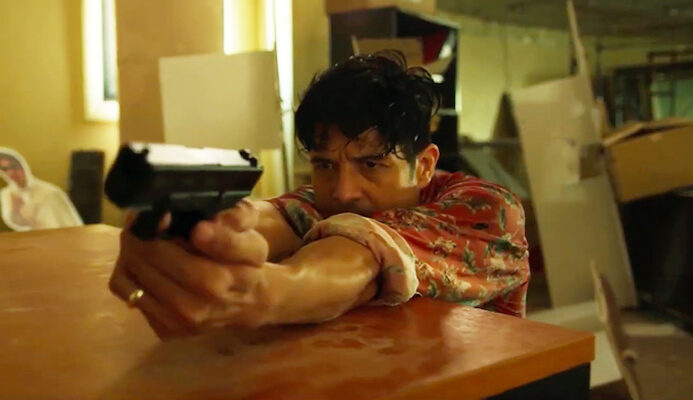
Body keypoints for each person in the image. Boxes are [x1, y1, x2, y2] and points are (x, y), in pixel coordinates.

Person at [109, 51, 529, 340]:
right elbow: (269, 220)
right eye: (325, 165)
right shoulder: (323, 200)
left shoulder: (488, 211)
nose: (343, 191)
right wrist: (192, 235)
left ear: (423, 165)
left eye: (371, 164)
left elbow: (360, 253)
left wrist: (266, 292)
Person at [0, 148, 83, 231]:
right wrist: (15, 211)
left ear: (22, 166)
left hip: (58, 236)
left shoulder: (50, 192)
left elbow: (71, 223)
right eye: (4, 169)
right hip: (32, 238)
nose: (11, 173)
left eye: (14, 167)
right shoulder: (7, 194)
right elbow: (19, 224)